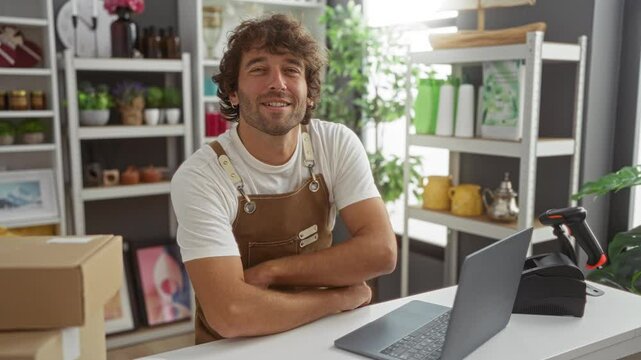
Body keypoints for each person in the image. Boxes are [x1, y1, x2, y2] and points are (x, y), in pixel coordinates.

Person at [170, 14, 396, 343]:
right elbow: (230, 314)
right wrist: (336, 299)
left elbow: (381, 252)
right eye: (259, 69)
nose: (278, 82)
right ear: (233, 92)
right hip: (234, 348)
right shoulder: (202, 176)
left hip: (322, 336)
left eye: (291, 69)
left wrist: (273, 271)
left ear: (309, 93)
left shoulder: (334, 144)